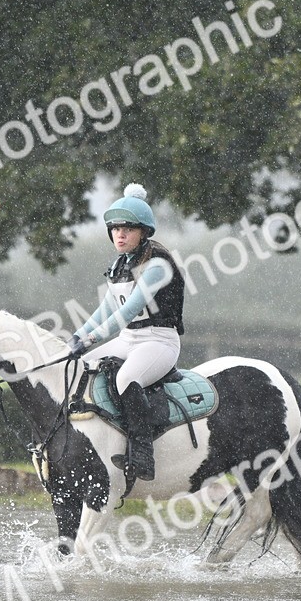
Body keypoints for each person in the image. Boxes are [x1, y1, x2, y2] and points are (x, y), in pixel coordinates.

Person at [66, 183, 185, 482]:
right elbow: (106, 309)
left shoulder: (156, 263)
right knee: (81, 368)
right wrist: (76, 338)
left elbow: (128, 311)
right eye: (116, 228)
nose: (119, 234)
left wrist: (92, 339)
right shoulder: (119, 264)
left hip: (159, 341)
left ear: (143, 231)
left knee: (125, 378)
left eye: (128, 229)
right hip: (128, 340)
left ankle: (143, 453)